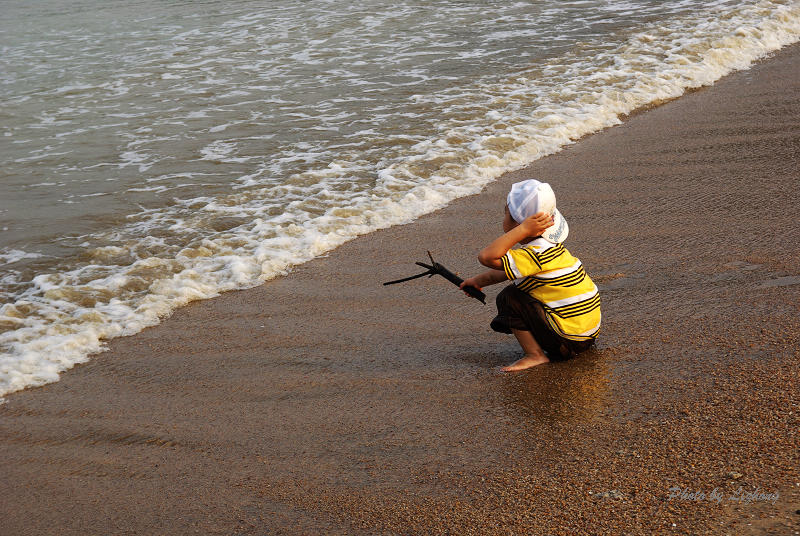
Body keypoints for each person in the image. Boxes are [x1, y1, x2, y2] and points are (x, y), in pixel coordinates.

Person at [460, 179, 601, 371]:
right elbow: (507, 272)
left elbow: (486, 257)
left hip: (567, 342)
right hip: (586, 336)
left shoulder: (532, 255)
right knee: (519, 290)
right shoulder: (549, 250)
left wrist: (522, 230)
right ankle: (547, 345)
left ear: (519, 224)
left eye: (506, 214)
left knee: (509, 297)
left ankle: (535, 355)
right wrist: (477, 281)